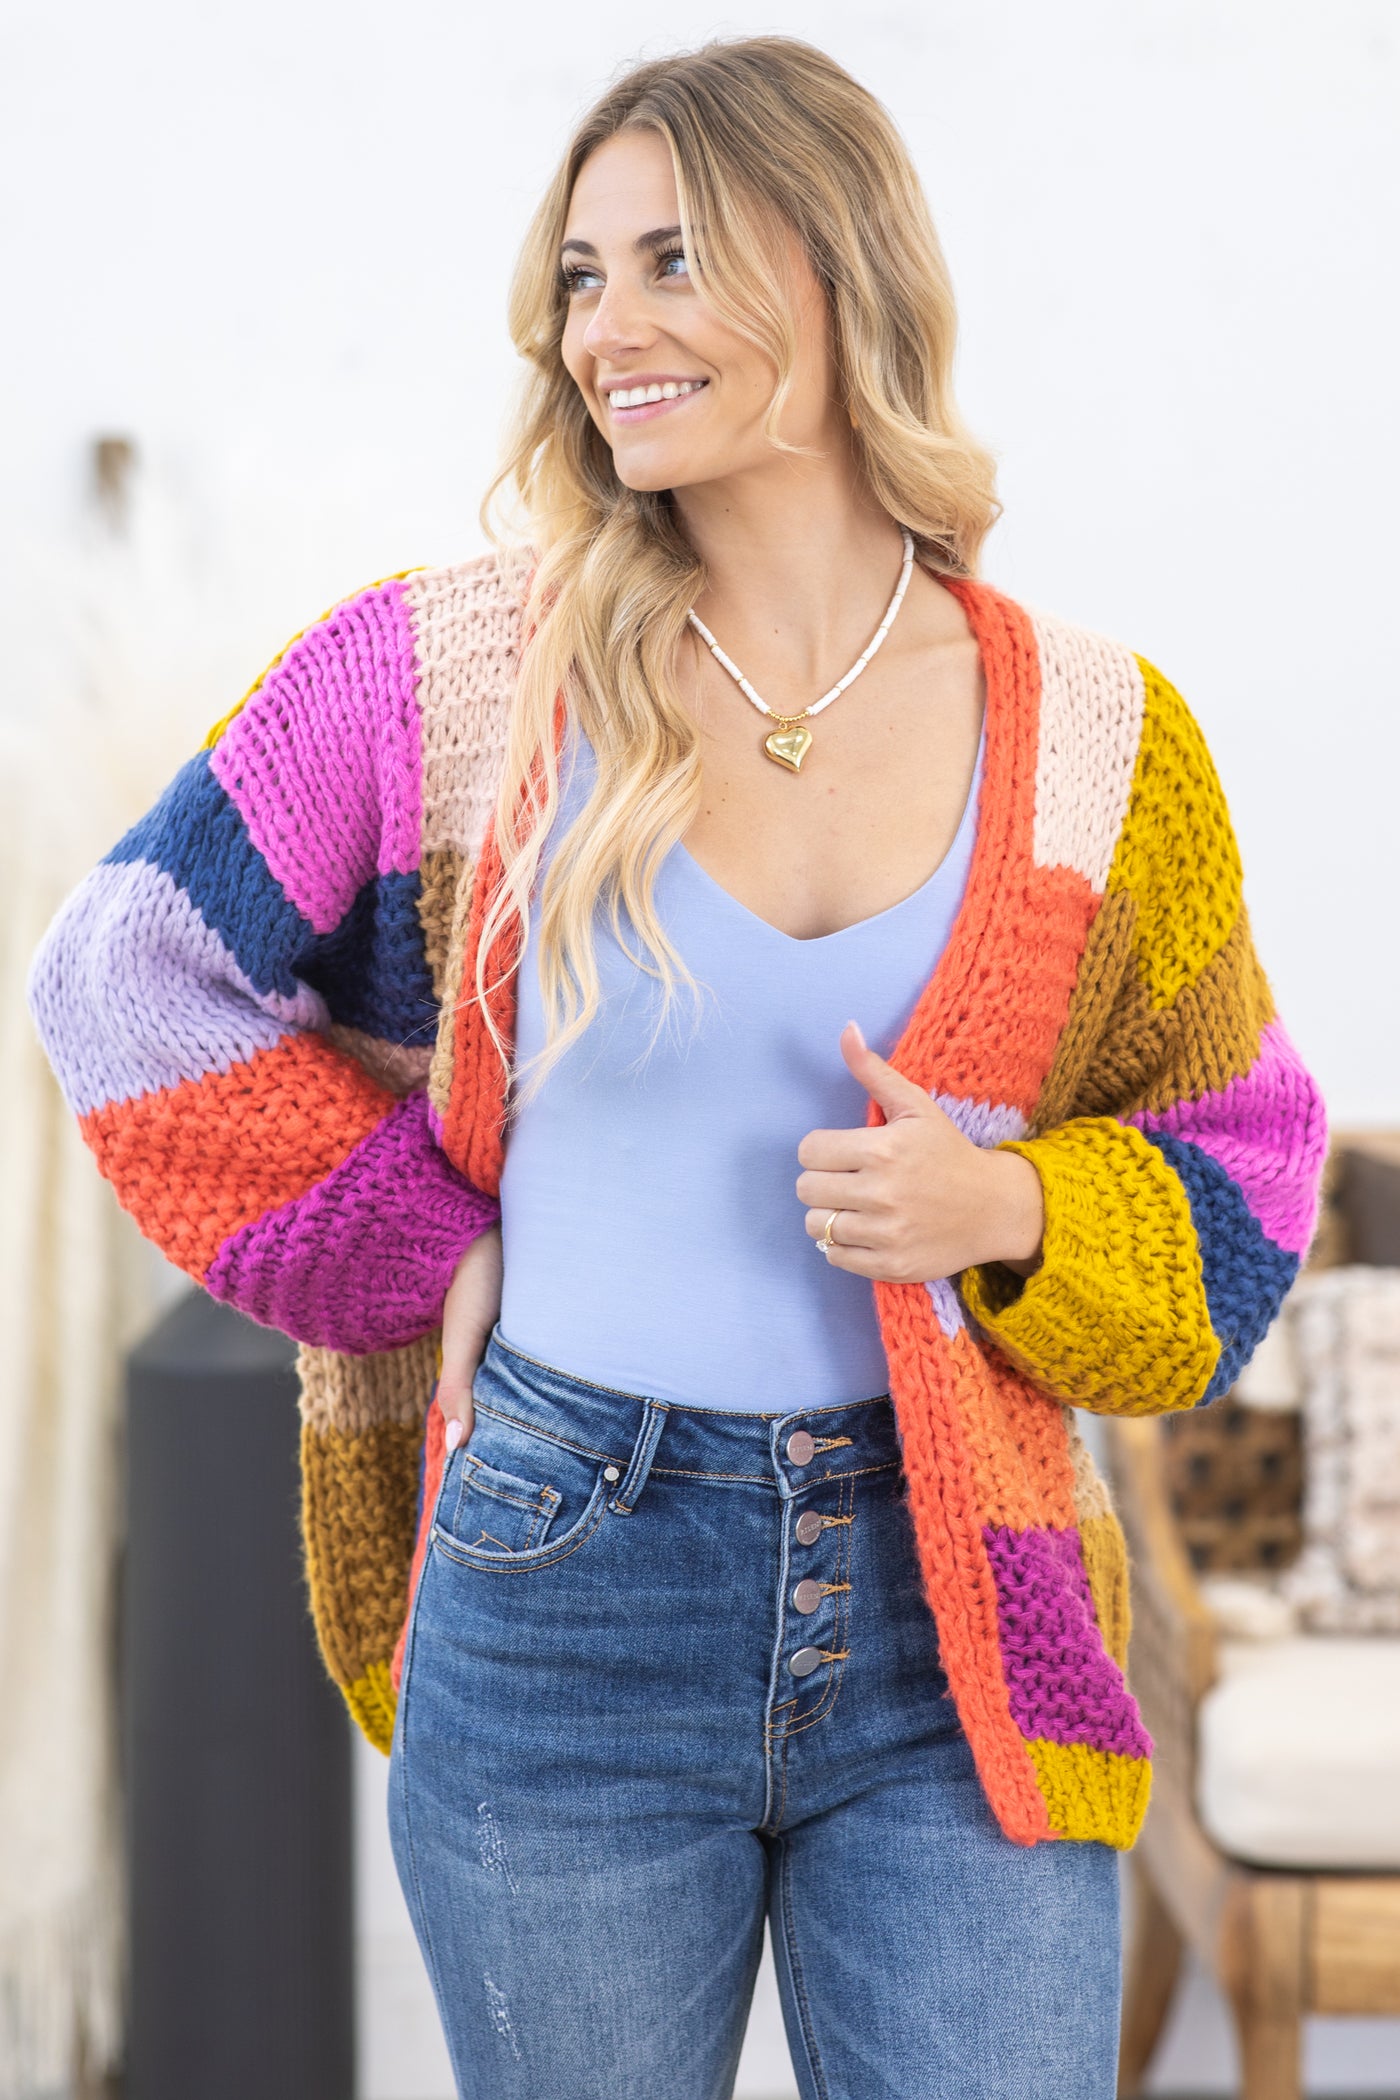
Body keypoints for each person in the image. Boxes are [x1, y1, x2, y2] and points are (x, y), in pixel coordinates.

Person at [28, 35, 1327, 2100]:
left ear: (841, 273)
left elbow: (1244, 1165)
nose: (602, 329)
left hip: (963, 1614)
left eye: (669, 262)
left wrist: (1012, 1208)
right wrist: (422, 1241)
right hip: (566, 1584)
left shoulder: (1098, 739)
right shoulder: (448, 676)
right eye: (579, 275)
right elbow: (123, 972)